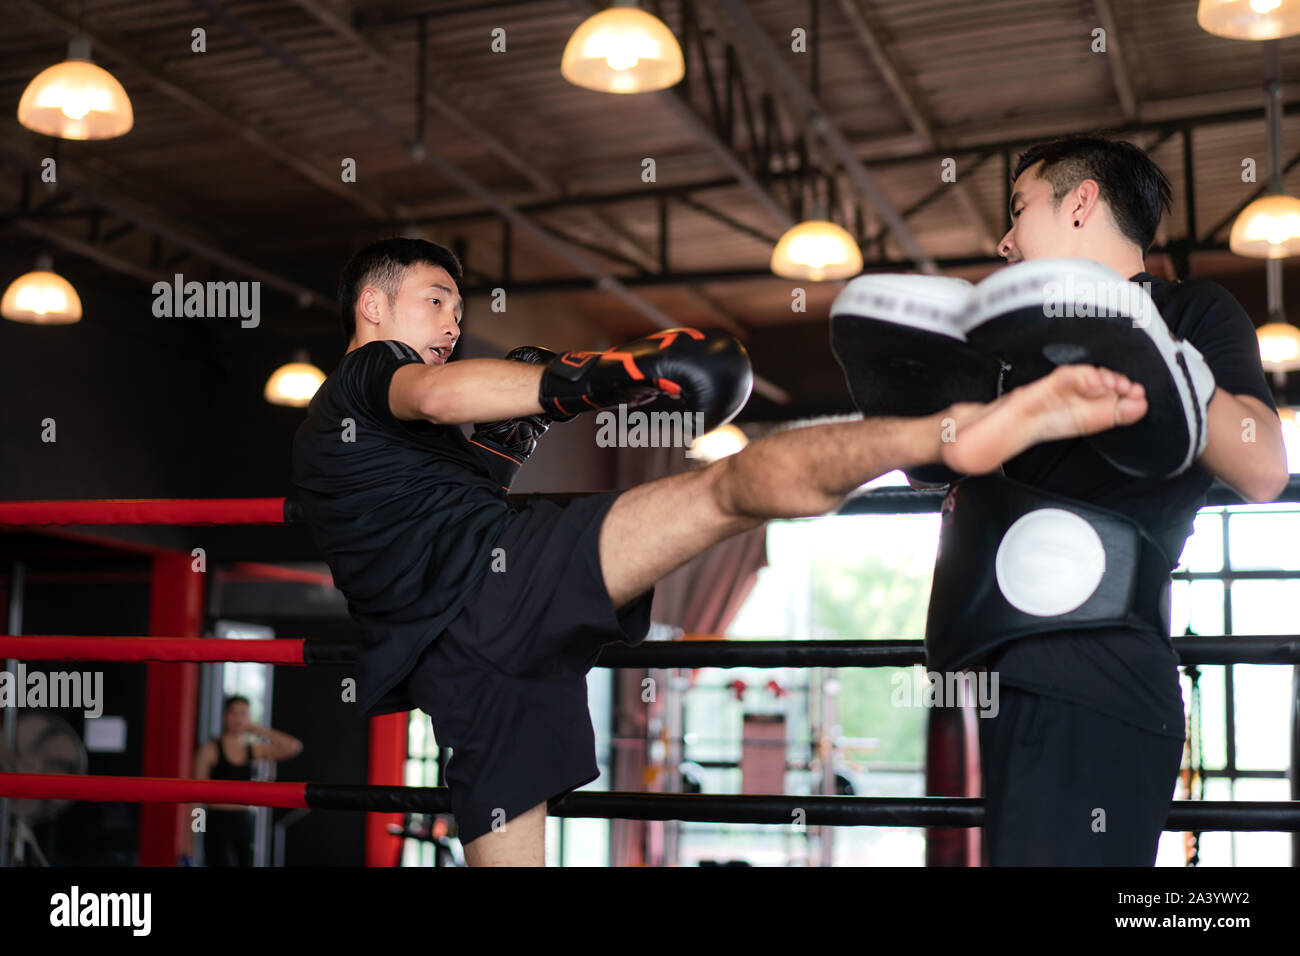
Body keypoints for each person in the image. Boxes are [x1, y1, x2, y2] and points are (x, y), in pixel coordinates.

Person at [291, 235, 1153, 867]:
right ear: (375, 305)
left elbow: (463, 425)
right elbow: (437, 390)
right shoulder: (370, 376)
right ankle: (945, 435)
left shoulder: (378, 438)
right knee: (726, 491)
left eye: (456, 306)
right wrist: (603, 374)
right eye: (436, 300)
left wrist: (547, 397)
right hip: (489, 587)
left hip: (461, 657)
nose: (452, 321)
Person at [964, 135, 1289, 865]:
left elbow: (1265, 468)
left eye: (1020, 210)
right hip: (1009, 666)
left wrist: (1164, 359)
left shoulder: (1190, 313)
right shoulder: (1009, 345)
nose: (1004, 238)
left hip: (1096, 667)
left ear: (1081, 204)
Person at [190, 695, 304, 866]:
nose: (238, 719)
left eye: (243, 714)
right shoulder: (209, 750)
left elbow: (293, 747)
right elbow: (193, 796)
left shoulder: (254, 750)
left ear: (249, 718)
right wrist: (190, 838)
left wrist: (258, 729)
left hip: (244, 820)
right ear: (224, 716)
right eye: (234, 713)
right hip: (218, 822)